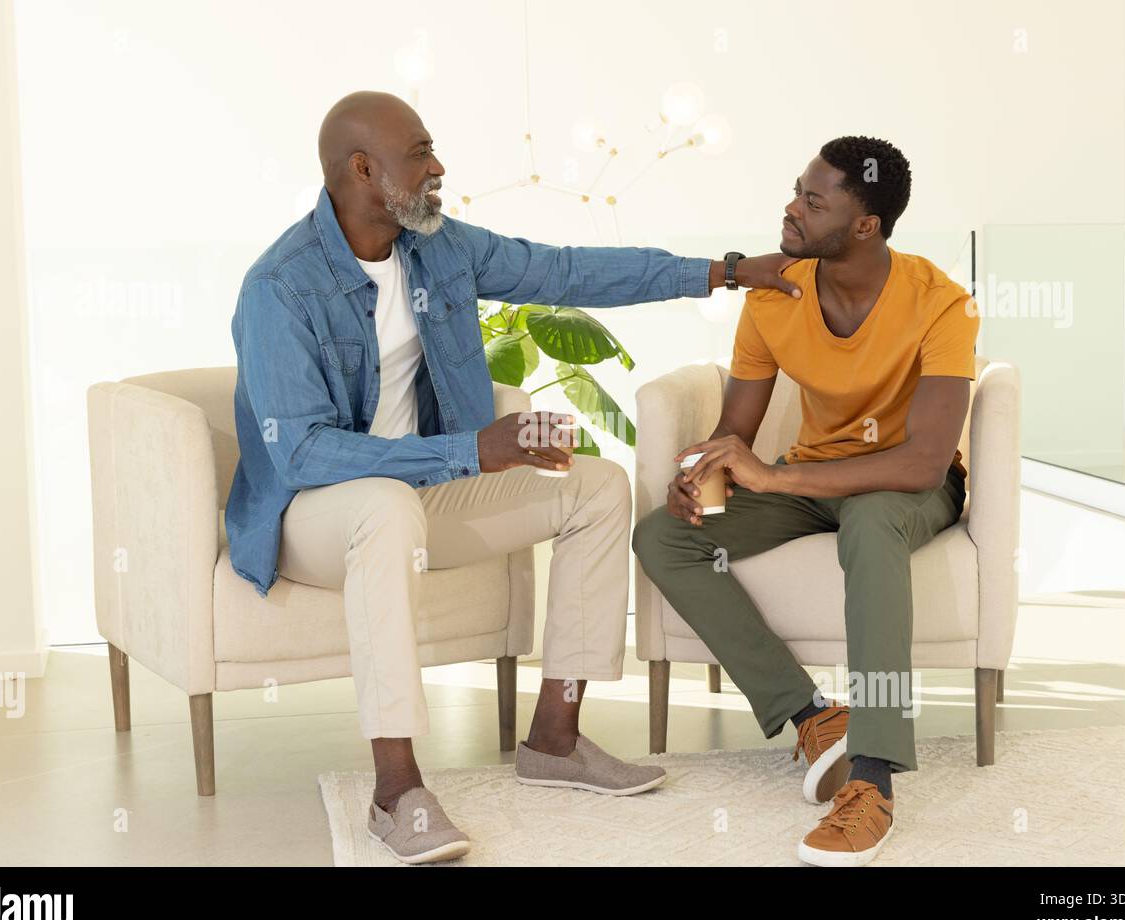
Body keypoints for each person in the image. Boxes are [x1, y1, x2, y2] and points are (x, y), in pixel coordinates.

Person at [225, 90, 800, 863]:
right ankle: (396, 789)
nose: (439, 167)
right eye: (420, 153)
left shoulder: (439, 246)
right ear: (363, 171)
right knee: (385, 510)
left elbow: (567, 272)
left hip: (425, 491)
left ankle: (555, 738)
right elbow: (300, 454)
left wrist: (725, 272)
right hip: (316, 518)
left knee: (595, 489)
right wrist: (471, 451)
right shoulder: (279, 288)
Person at [633, 136, 979, 866]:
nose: (792, 208)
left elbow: (920, 460)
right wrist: (704, 477)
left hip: (904, 485)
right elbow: (736, 433)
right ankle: (814, 716)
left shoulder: (941, 303)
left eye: (814, 200)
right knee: (663, 536)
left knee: (875, 521)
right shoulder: (772, 295)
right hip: (815, 474)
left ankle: (873, 781)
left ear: (866, 225)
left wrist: (776, 477)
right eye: (798, 189)